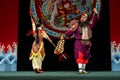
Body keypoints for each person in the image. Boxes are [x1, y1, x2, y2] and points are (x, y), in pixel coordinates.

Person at [65, 8, 99, 74]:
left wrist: (96, 12)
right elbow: (67, 34)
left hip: (87, 43)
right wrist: (71, 29)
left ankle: (83, 69)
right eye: (82, 17)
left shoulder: (89, 25)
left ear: (86, 19)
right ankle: (80, 69)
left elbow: (95, 20)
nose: (83, 18)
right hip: (79, 43)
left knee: (86, 56)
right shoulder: (77, 26)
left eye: (85, 17)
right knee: (80, 56)